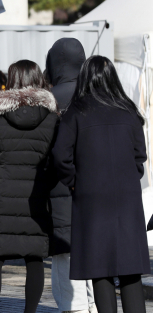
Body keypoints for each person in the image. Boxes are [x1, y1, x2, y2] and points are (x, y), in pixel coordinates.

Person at [52, 56, 149, 313]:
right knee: (131, 271)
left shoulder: (76, 113)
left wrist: (75, 182)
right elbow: (140, 156)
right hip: (127, 198)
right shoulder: (129, 111)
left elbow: (60, 156)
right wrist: (128, 177)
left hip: (91, 198)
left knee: (100, 270)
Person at [0, 60, 57, 313]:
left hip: (1, 192)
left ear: (10, 80)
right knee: (34, 257)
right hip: (37, 193)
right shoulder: (52, 116)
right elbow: (56, 158)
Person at [45, 38, 96, 313]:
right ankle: (93, 304)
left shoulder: (50, 100)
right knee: (92, 250)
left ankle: (74, 308)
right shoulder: (97, 93)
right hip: (96, 187)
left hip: (59, 188)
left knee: (64, 254)